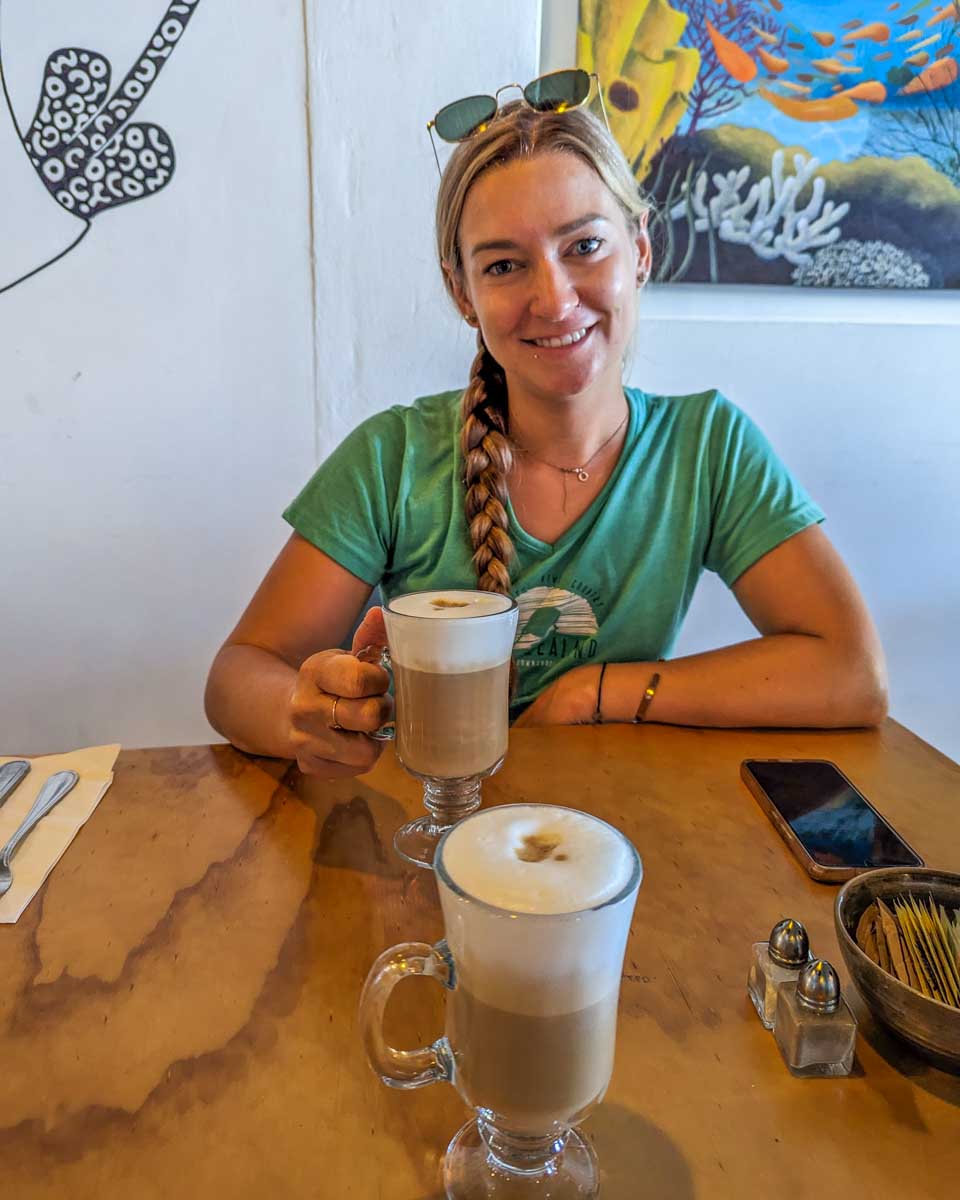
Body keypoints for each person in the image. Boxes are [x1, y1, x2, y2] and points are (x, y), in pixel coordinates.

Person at [204, 86, 888, 780]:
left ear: (641, 251)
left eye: (585, 245)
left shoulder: (708, 447)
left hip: (621, 835)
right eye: (504, 265)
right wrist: (303, 709)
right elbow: (237, 676)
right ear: (463, 293)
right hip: (429, 830)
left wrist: (587, 694)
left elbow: (851, 672)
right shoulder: (393, 458)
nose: (555, 298)